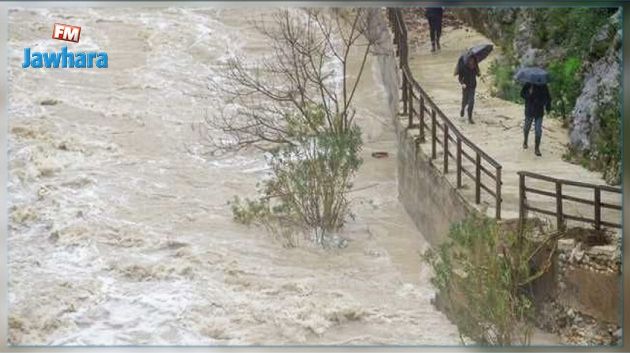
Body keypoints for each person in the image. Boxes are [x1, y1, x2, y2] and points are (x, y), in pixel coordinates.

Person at [520, 82, 552, 157]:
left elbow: (548, 97)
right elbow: (522, 94)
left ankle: (537, 148)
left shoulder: (543, 85)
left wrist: (548, 107)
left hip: (539, 111)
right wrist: (529, 94)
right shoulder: (528, 84)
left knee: (538, 130)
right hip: (529, 110)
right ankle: (525, 141)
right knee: (526, 127)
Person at [457, 55, 480, 124]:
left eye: (473, 60)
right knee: (465, 101)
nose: (471, 62)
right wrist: (462, 83)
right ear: (468, 60)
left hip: (472, 87)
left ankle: (470, 118)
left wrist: (479, 73)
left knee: (471, 101)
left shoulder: (475, 67)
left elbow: (478, 74)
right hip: (466, 87)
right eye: (470, 60)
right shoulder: (464, 67)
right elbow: (460, 77)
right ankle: (463, 109)